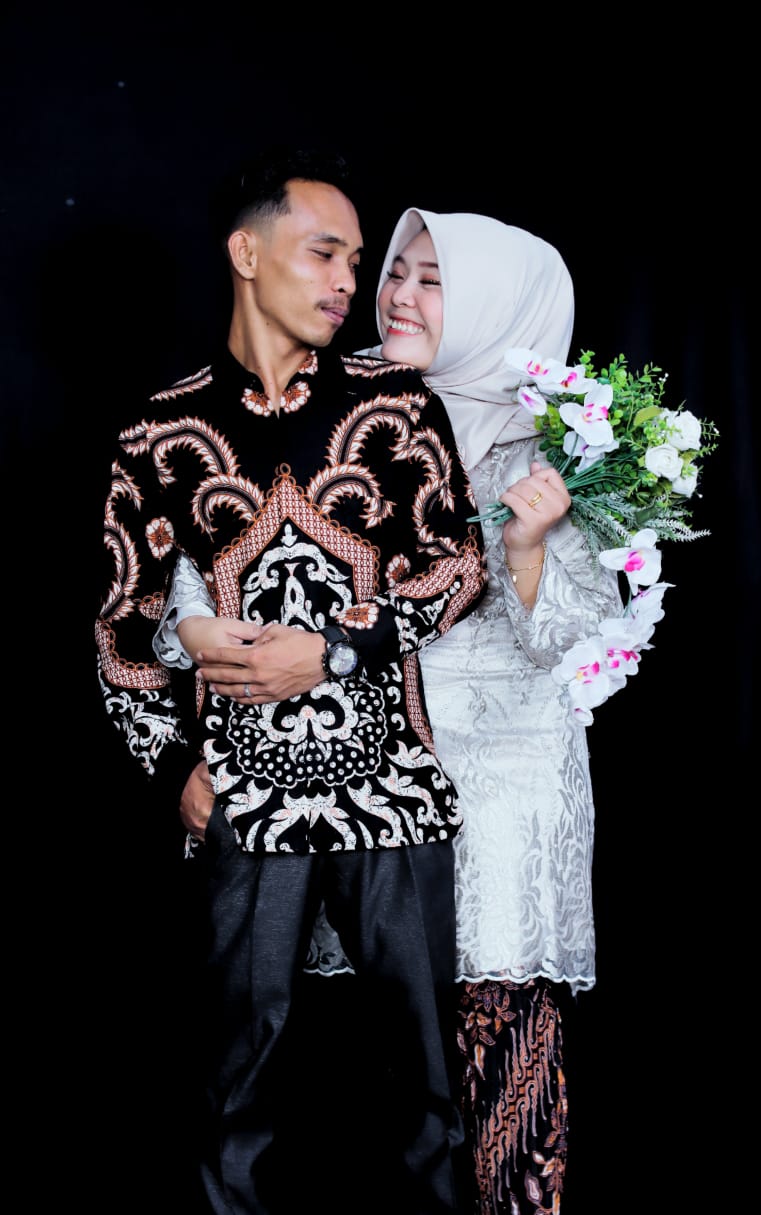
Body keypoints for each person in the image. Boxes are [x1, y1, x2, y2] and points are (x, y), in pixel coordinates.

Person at [162, 207, 624, 1214]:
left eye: (433, 281)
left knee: (494, 1031)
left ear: (498, 305)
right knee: (362, 1053)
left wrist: (527, 550)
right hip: (352, 764)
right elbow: (226, 558)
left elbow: (581, 651)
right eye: (395, 275)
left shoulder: (552, 449)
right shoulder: (340, 403)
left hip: (498, 785)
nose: (397, 297)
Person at [94, 149, 488, 1215]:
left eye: (357, 262)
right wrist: (174, 768)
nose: (349, 281)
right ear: (246, 253)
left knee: (425, 1078)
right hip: (242, 790)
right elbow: (123, 625)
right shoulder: (159, 433)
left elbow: (461, 567)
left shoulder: (394, 404)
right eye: (325, 254)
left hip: (391, 784)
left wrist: (335, 652)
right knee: (238, 1077)